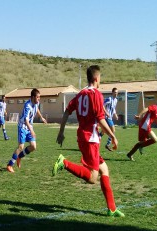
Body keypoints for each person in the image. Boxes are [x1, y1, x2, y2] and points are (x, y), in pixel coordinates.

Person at [53, 65, 125, 217]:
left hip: (83, 137)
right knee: (93, 178)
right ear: (96, 78)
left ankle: (111, 208)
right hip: (91, 139)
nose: (100, 81)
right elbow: (100, 119)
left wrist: (61, 131)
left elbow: (67, 111)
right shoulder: (96, 94)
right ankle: (64, 163)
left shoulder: (80, 95)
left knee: (104, 169)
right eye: (100, 78)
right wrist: (112, 135)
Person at [6, 88, 47, 173]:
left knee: (33, 146)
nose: (39, 99)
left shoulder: (36, 103)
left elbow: (37, 109)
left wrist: (41, 117)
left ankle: (19, 157)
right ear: (32, 97)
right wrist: (31, 131)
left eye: (39, 97)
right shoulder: (27, 106)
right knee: (21, 147)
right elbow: (26, 120)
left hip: (29, 127)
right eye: (38, 97)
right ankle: (10, 165)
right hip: (23, 127)